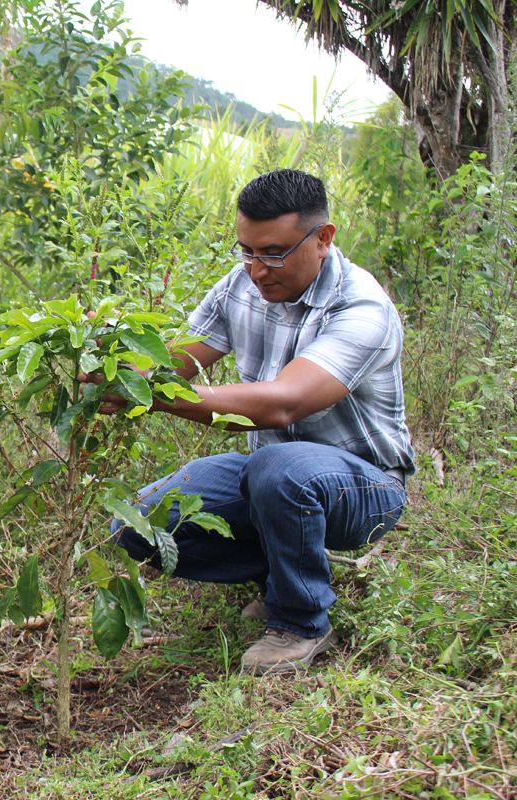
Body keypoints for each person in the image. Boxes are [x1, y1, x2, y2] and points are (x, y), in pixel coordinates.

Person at [91, 169, 414, 675]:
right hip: (274, 473)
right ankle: (290, 570)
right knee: (138, 525)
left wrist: (148, 396)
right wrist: (109, 368)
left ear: (323, 238)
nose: (258, 269)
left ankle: (300, 622)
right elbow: (178, 362)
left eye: (275, 252)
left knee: (280, 470)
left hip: (364, 488)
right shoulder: (241, 285)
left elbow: (282, 404)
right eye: (247, 250)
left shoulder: (361, 308)